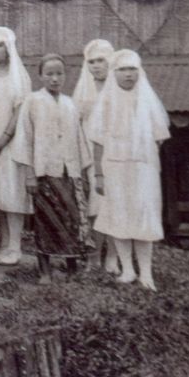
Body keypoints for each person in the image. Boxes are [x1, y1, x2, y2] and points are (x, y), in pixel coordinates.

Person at [88, 50, 168, 290]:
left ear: (139, 71)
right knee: (118, 215)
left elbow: (158, 136)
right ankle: (127, 269)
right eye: (123, 69)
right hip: (114, 167)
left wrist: (142, 156)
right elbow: (97, 139)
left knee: (143, 215)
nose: (128, 74)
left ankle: (146, 273)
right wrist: (100, 174)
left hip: (143, 168)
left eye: (132, 69)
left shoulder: (147, 99)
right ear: (115, 73)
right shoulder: (107, 100)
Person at [20, 54, 90, 277]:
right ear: (40, 76)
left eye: (59, 73)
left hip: (69, 171)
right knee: (45, 221)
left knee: (71, 219)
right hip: (44, 172)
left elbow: (79, 139)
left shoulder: (71, 104)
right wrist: (30, 174)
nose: (54, 79)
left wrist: (83, 172)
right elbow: (26, 138)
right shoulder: (32, 101)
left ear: (65, 76)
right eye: (49, 74)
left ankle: (71, 269)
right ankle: (45, 271)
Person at [0, 25, 34, 265]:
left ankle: (15, 247)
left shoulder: (19, 76)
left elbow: (20, 112)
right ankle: (3, 245)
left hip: (11, 143)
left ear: (9, 48)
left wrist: (2, 140)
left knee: (12, 194)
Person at [73, 38, 119, 271]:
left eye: (101, 60)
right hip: (91, 155)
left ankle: (112, 257)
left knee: (114, 205)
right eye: (92, 62)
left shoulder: (119, 88)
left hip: (116, 155)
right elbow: (76, 126)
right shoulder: (84, 91)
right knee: (93, 208)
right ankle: (92, 257)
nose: (96, 66)